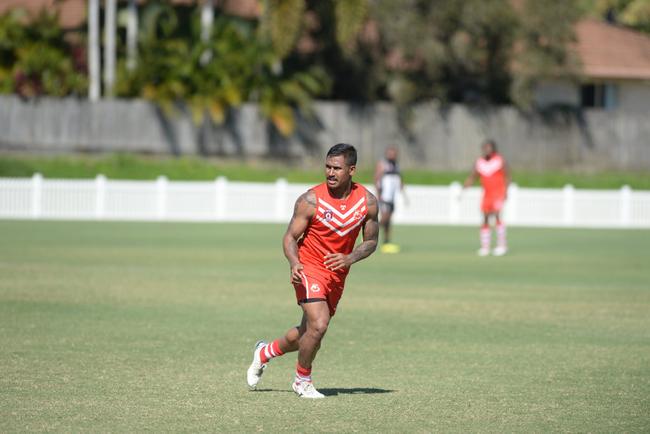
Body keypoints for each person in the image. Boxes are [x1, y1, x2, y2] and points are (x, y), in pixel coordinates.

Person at [246, 143, 379, 399]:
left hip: (337, 276)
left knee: (307, 333)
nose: (330, 172)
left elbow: (372, 241)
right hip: (309, 267)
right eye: (327, 166)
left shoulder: (368, 202)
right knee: (319, 325)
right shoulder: (310, 200)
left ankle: (264, 353)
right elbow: (289, 237)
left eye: (337, 168)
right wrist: (294, 263)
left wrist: (349, 257)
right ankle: (302, 381)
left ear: (352, 170)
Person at [463, 139, 510, 256]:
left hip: (498, 192)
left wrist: (506, 191)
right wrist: (467, 183)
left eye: (489, 147)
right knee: (485, 218)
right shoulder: (480, 162)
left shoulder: (499, 160)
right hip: (487, 194)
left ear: (493, 148)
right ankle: (485, 247)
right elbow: (473, 176)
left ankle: (502, 245)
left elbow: (507, 176)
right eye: (485, 148)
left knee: (497, 216)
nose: (486, 150)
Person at [374, 146, 406, 254]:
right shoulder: (382, 164)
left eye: (394, 153)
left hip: (392, 197)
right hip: (384, 196)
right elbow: (377, 178)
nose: (392, 155)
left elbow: (399, 178)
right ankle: (369, 233)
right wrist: (378, 194)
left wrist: (403, 192)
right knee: (384, 219)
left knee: (389, 221)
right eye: (390, 153)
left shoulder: (396, 165)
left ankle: (386, 243)